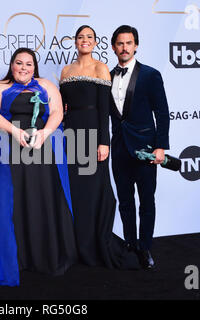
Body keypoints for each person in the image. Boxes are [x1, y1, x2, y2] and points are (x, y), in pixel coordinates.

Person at [0, 48, 77, 286]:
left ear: (35, 66)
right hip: (7, 150)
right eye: (19, 63)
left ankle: (43, 256)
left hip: (41, 151)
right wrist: (15, 131)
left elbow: (57, 112)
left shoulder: (46, 85)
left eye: (29, 64)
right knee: (10, 204)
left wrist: (45, 133)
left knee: (40, 200)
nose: (24, 68)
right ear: (12, 65)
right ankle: (14, 260)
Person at [59, 25, 138, 269]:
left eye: (89, 37)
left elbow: (105, 110)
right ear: (74, 42)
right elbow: (62, 108)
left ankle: (95, 242)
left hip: (93, 133)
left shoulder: (101, 68)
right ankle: (77, 243)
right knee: (75, 190)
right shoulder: (65, 70)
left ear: (95, 43)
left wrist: (104, 142)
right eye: (80, 37)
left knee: (93, 190)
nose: (85, 40)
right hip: (71, 133)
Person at [110, 25, 170, 269]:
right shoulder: (107, 75)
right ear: (114, 47)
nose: (124, 47)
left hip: (146, 148)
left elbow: (162, 112)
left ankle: (145, 247)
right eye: (120, 43)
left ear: (136, 46)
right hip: (119, 148)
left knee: (146, 200)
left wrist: (161, 147)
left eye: (129, 43)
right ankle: (130, 242)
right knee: (124, 200)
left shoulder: (150, 75)